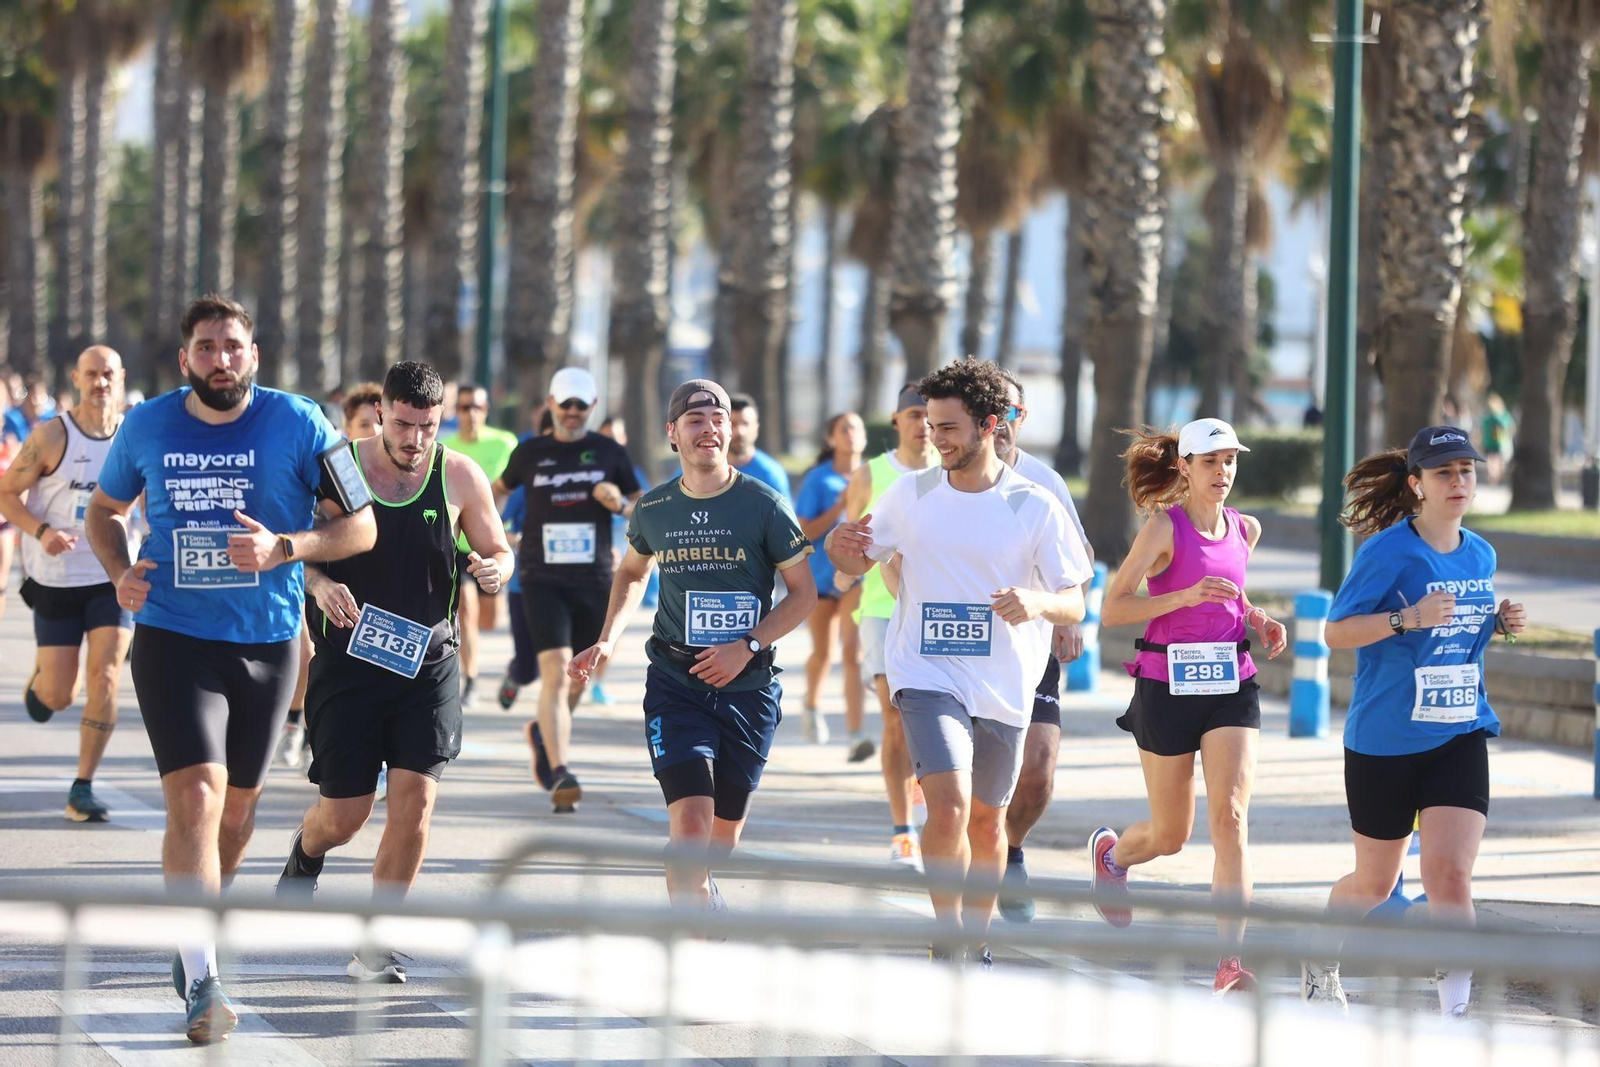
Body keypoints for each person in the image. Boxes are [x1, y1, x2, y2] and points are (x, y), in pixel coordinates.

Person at [84, 294, 378, 1044]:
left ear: (254, 354)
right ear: (186, 360)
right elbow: (105, 509)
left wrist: (287, 546)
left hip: (269, 640)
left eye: (234, 346)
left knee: (238, 814)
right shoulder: (147, 423)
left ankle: (195, 935)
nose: (222, 359)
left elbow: (362, 523)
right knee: (198, 796)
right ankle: (205, 977)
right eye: (207, 347)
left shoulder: (303, 422)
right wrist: (119, 571)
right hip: (173, 634)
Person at [826, 358, 1090, 964]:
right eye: (929, 425)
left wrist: (1038, 602)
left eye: (947, 428)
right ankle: (948, 939)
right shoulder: (910, 494)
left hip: (1004, 682)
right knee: (946, 803)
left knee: (987, 824)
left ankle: (978, 938)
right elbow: (855, 565)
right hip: (925, 672)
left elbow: (1074, 602)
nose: (932, 438)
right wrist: (845, 553)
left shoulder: (1034, 504)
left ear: (988, 426)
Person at [277, 362, 513, 982]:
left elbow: (498, 548)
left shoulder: (459, 474)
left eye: (428, 428)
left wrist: (497, 570)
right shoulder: (338, 467)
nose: (415, 440)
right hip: (349, 665)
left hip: (429, 664)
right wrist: (320, 583)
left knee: (416, 802)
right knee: (345, 815)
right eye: (404, 425)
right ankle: (306, 851)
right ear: (380, 412)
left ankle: (376, 942)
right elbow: (296, 550)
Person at [1302, 426, 1525, 1016]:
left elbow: (1460, 639)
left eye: (1467, 471)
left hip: (1459, 730)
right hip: (1385, 739)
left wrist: (1495, 622)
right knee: (1374, 886)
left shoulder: (1481, 553)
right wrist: (1408, 620)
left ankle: (1455, 1019)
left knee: (1451, 874)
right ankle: (1321, 953)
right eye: (1444, 472)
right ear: (1416, 485)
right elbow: (1335, 632)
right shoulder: (1386, 552)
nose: (1459, 482)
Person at [569, 379, 815, 908]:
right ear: (672, 433)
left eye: (718, 418)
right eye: (696, 419)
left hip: (748, 686)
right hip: (675, 683)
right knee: (691, 827)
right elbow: (633, 573)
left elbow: (803, 595)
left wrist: (745, 647)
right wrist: (608, 639)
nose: (709, 428)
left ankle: (700, 888)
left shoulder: (764, 505)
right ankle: (692, 949)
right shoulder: (654, 508)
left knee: (720, 842)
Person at [1091, 418, 1287, 996]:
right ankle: (1113, 854)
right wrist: (1182, 597)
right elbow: (1113, 609)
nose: (1222, 473)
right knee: (1172, 835)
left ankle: (1230, 963)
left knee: (1230, 819)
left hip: (1230, 682)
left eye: (1230, 461)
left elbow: (1231, 590)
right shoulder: (1162, 529)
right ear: (1185, 467)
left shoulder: (1244, 529)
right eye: (1210, 462)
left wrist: (1257, 619)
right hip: (1166, 683)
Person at [497, 366, 642, 812]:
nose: (574, 413)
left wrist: (617, 503)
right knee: (558, 671)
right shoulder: (531, 452)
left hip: (595, 579)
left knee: (579, 676)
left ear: (593, 407)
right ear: (551, 405)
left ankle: (545, 733)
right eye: (566, 404)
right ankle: (561, 773)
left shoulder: (609, 452)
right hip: (542, 579)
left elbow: (640, 505)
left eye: (582, 405)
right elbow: (495, 491)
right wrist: (487, 535)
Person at [0, 346, 133, 823]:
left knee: (107, 676)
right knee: (59, 695)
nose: (100, 383)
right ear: (76, 378)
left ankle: (83, 787)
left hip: (111, 575)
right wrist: (40, 531)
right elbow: (6, 493)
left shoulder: (134, 436)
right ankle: (44, 685)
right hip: (54, 577)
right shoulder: (53, 436)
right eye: (91, 374)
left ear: (121, 379)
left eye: (108, 375)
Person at [989, 368, 1096, 924]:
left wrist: (1066, 615)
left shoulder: (1045, 483)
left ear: (1020, 418)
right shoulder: (936, 484)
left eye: (1008, 412)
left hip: (1030, 653)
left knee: (1038, 771)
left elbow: (1079, 562)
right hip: (960, 655)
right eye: (990, 412)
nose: (998, 423)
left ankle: (1009, 851)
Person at [844, 384, 939, 870]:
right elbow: (849, 549)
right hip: (882, 611)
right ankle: (903, 830)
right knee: (895, 719)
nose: (923, 424)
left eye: (932, 415)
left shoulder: (955, 475)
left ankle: (927, 788)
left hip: (941, 615)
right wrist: (844, 576)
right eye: (914, 414)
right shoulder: (872, 474)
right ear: (896, 419)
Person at [277, 382, 384, 771]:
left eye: (378, 423)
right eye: (362, 423)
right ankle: (295, 728)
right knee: (308, 657)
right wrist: (316, 577)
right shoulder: (326, 462)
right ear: (345, 426)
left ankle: (324, 738)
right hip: (310, 580)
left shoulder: (398, 473)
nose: (372, 432)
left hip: (369, 595)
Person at [793, 413, 869, 753]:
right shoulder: (818, 481)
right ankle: (811, 704)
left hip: (858, 576)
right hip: (819, 578)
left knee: (853, 653)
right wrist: (840, 504)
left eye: (857, 428)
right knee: (823, 653)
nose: (852, 435)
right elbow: (804, 531)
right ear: (831, 438)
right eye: (844, 429)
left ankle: (855, 735)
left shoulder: (873, 476)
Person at [441, 382, 519, 708]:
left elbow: (515, 490)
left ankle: (485, 668)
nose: (471, 413)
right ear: (455, 411)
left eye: (477, 407)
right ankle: (469, 679)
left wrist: (513, 530)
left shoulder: (505, 443)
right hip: (457, 545)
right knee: (467, 610)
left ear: (486, 411)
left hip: (493, 543)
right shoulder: (444, 445)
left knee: (489, 620)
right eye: (464, 407)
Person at [496, 407, 554, 712]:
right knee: (529, 666)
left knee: (560, 657)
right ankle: (516, 674)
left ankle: (550, 730)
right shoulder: (525, 479)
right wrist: (521, 539)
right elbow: (500, 522)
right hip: (525, 584)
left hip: (568, 583)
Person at [728, 392, 791, 498]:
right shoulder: (706, 469)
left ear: (756, 428)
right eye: (733, 424)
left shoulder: (770, 474)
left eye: (745, 424)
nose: (740, 431)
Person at [1479, 393, 1514, 486]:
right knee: (1496, 460)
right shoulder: (1501, 416)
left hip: (1495, 442)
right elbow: (1510, 427)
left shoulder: (1492, 417)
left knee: (1494, 460)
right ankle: (1495, 477)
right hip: (1497, 442)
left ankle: (1494, 477)